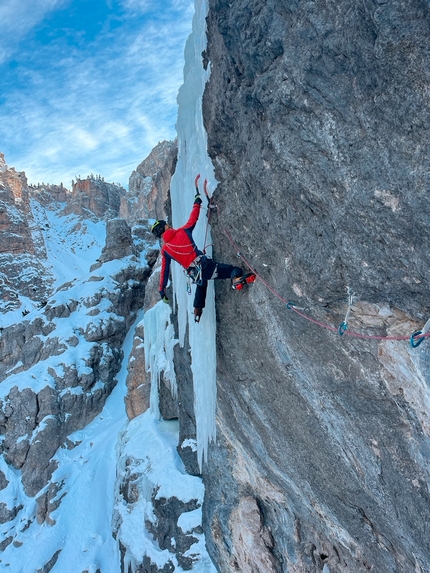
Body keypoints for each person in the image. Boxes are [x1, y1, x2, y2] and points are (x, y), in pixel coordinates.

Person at [151, 193, 255, 322]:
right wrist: (197, 202)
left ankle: (197, 311)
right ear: (164, 227)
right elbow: (193, 218)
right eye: (166, 224)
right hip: (206, 266)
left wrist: (162, 291)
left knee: (201, 284)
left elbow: (165, 271)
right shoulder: (183, 231)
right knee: (233, 270)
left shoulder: (165, 250)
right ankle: (236, 280)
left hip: (195, 273)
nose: (169, 225)